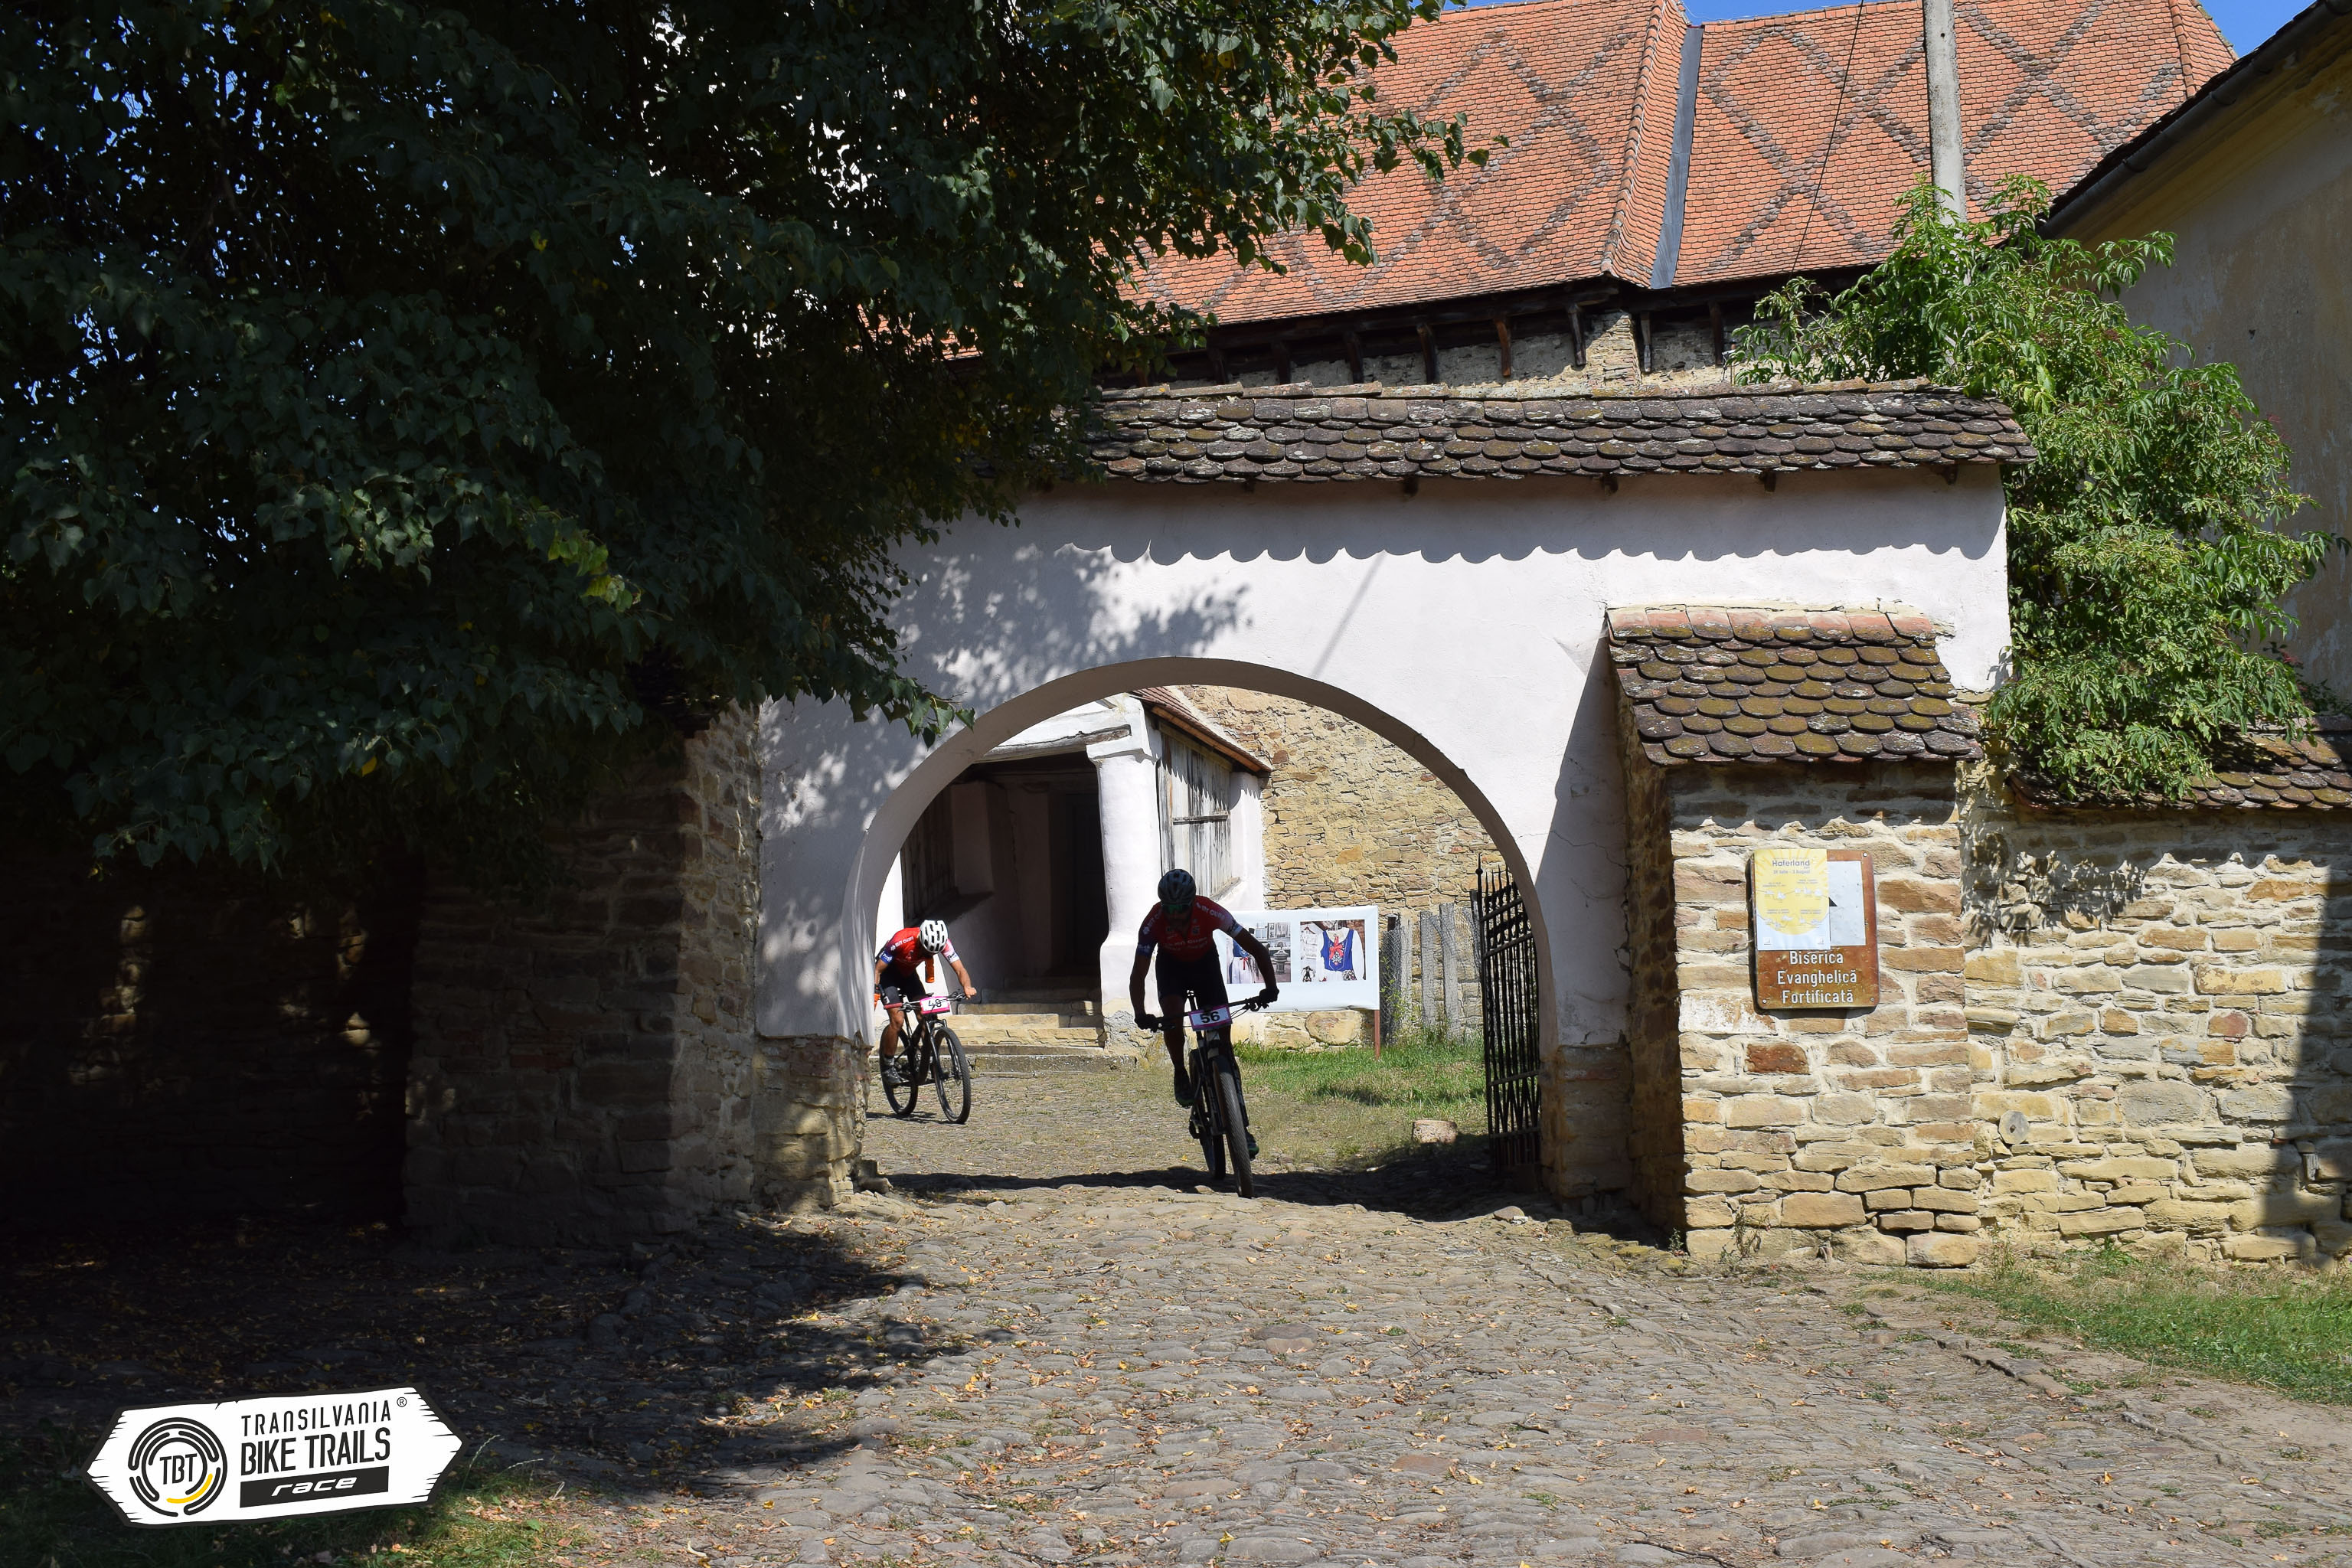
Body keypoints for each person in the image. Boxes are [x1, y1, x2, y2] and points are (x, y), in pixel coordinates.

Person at [1129, 868, 1278, 1110]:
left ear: (1192, 903)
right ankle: (1180, 1071)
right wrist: (1139, 1012)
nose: (1175, 915)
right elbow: (1139, 973)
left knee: (1223, 1034)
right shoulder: (1153, 922)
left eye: (1181, 909)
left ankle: (1234, 1096)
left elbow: (1256, 949)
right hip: (1171, 968)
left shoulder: (1209, 911)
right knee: (1173, 1016)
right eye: (1169, 909)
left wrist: (1271, 988)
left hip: (1204, 965)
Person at [874, 918, 977, 1087]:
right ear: (920, 940)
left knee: (927, 1016)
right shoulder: (902, 939)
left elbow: (960, 969)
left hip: (908, 975)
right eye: (926, 951)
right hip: (888, 975)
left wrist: (967, 986)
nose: (928, 955)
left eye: (933, 953)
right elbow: (878, 970)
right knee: (898, 1020)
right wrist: (875, 991)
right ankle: (888, 1067)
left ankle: (929, 1061)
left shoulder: (943, 943)